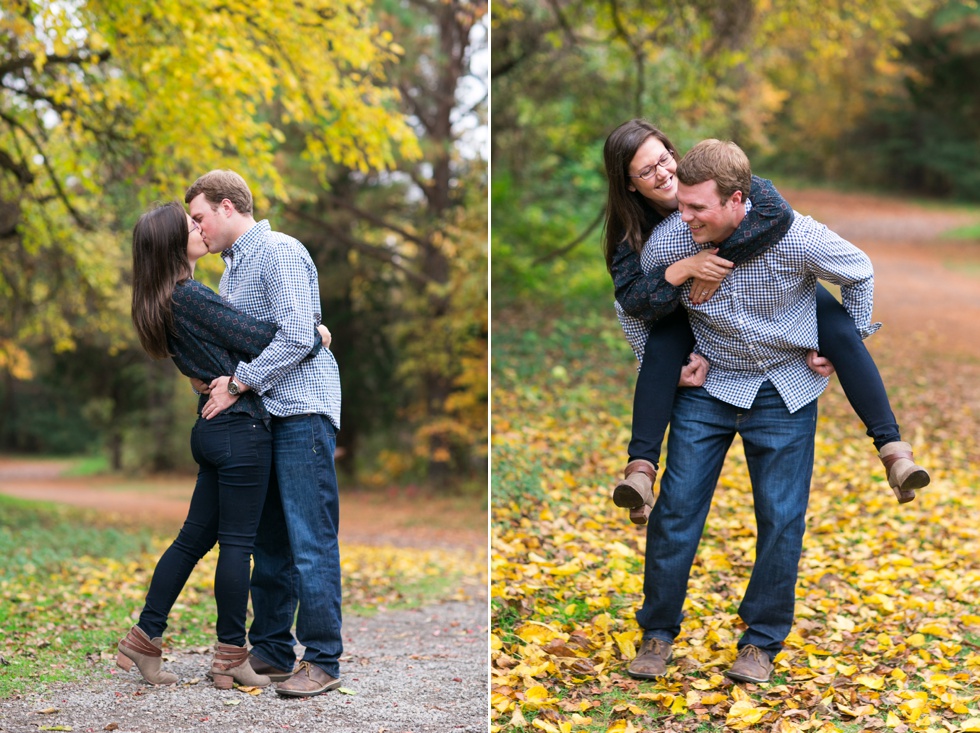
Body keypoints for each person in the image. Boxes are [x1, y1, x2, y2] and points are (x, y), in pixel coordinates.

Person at [623, 139, 884, 683]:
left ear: (737, 199)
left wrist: (846, 340)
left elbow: (859, 270)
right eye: (684, 204)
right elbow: (635, 305)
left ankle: (761, 644)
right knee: (674, 515)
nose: (683, 213)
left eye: (698, 206)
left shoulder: (797, 236)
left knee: (782, 520)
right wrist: (660, 363)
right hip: (707, 388)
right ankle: (657, 633)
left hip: (783, 390)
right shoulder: (670, 242)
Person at [602, 120, 929, 525]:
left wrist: (719, 264)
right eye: (647, 171)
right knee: (661, 348)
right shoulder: (635, 234)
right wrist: (687, 268)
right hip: (684, 308)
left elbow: (775, 213)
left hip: (765, 288)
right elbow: (630, 302)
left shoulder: (716, 180)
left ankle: (892, 448)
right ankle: (640, 471)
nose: (664, 173)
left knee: (836, 324)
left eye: (665, 159)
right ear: (630, 184)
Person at [120, 201, 328, 689]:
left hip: (212, 430)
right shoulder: (189, 295)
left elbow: (206, 365)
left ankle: (144, 639)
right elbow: (264, 339)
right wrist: (315, 334)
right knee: (237, 546)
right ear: (173, 243)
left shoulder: (159, 301)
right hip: (240, 429)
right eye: (189, 224)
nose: (199, 227)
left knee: (192, 540)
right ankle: (231, 656)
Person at [185, 170, 344, 698]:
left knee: (309, 538)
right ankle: (273, 649)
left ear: (228, 207)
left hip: (301, 412)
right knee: (269, 541)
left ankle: (322, 659)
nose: (197, 228)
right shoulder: (230, 273)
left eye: (200, 216)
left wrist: (240, 381)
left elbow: (300, 335)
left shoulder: (279, 252)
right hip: (262, 417)